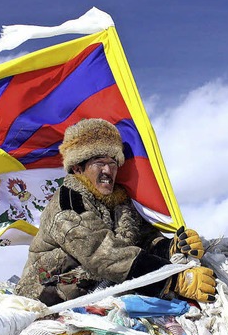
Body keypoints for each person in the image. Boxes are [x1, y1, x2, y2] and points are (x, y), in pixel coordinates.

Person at [15, 118, 216, 306]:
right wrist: (174, 280)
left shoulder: (119, 200)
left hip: (93, 289)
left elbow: (143, 237)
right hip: (47, 295)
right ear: (78, 168)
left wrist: (171, 247)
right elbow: (104, 254)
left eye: (112, 163)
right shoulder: (68, 206)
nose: (108, 171)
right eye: (99, 163)